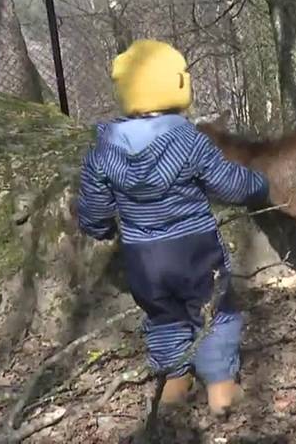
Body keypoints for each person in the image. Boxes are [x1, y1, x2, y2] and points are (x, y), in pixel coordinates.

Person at [76, 39, 269, 415]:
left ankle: (174, 384)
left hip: (142, 256)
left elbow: (94, 206)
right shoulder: (188, 140)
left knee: (163, 314)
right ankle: (220, 387)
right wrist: (258, 184)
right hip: (194, 247)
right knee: (215, 309)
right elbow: (228, 183)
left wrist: (99, 228)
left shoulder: (103, 149)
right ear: (177, 85)